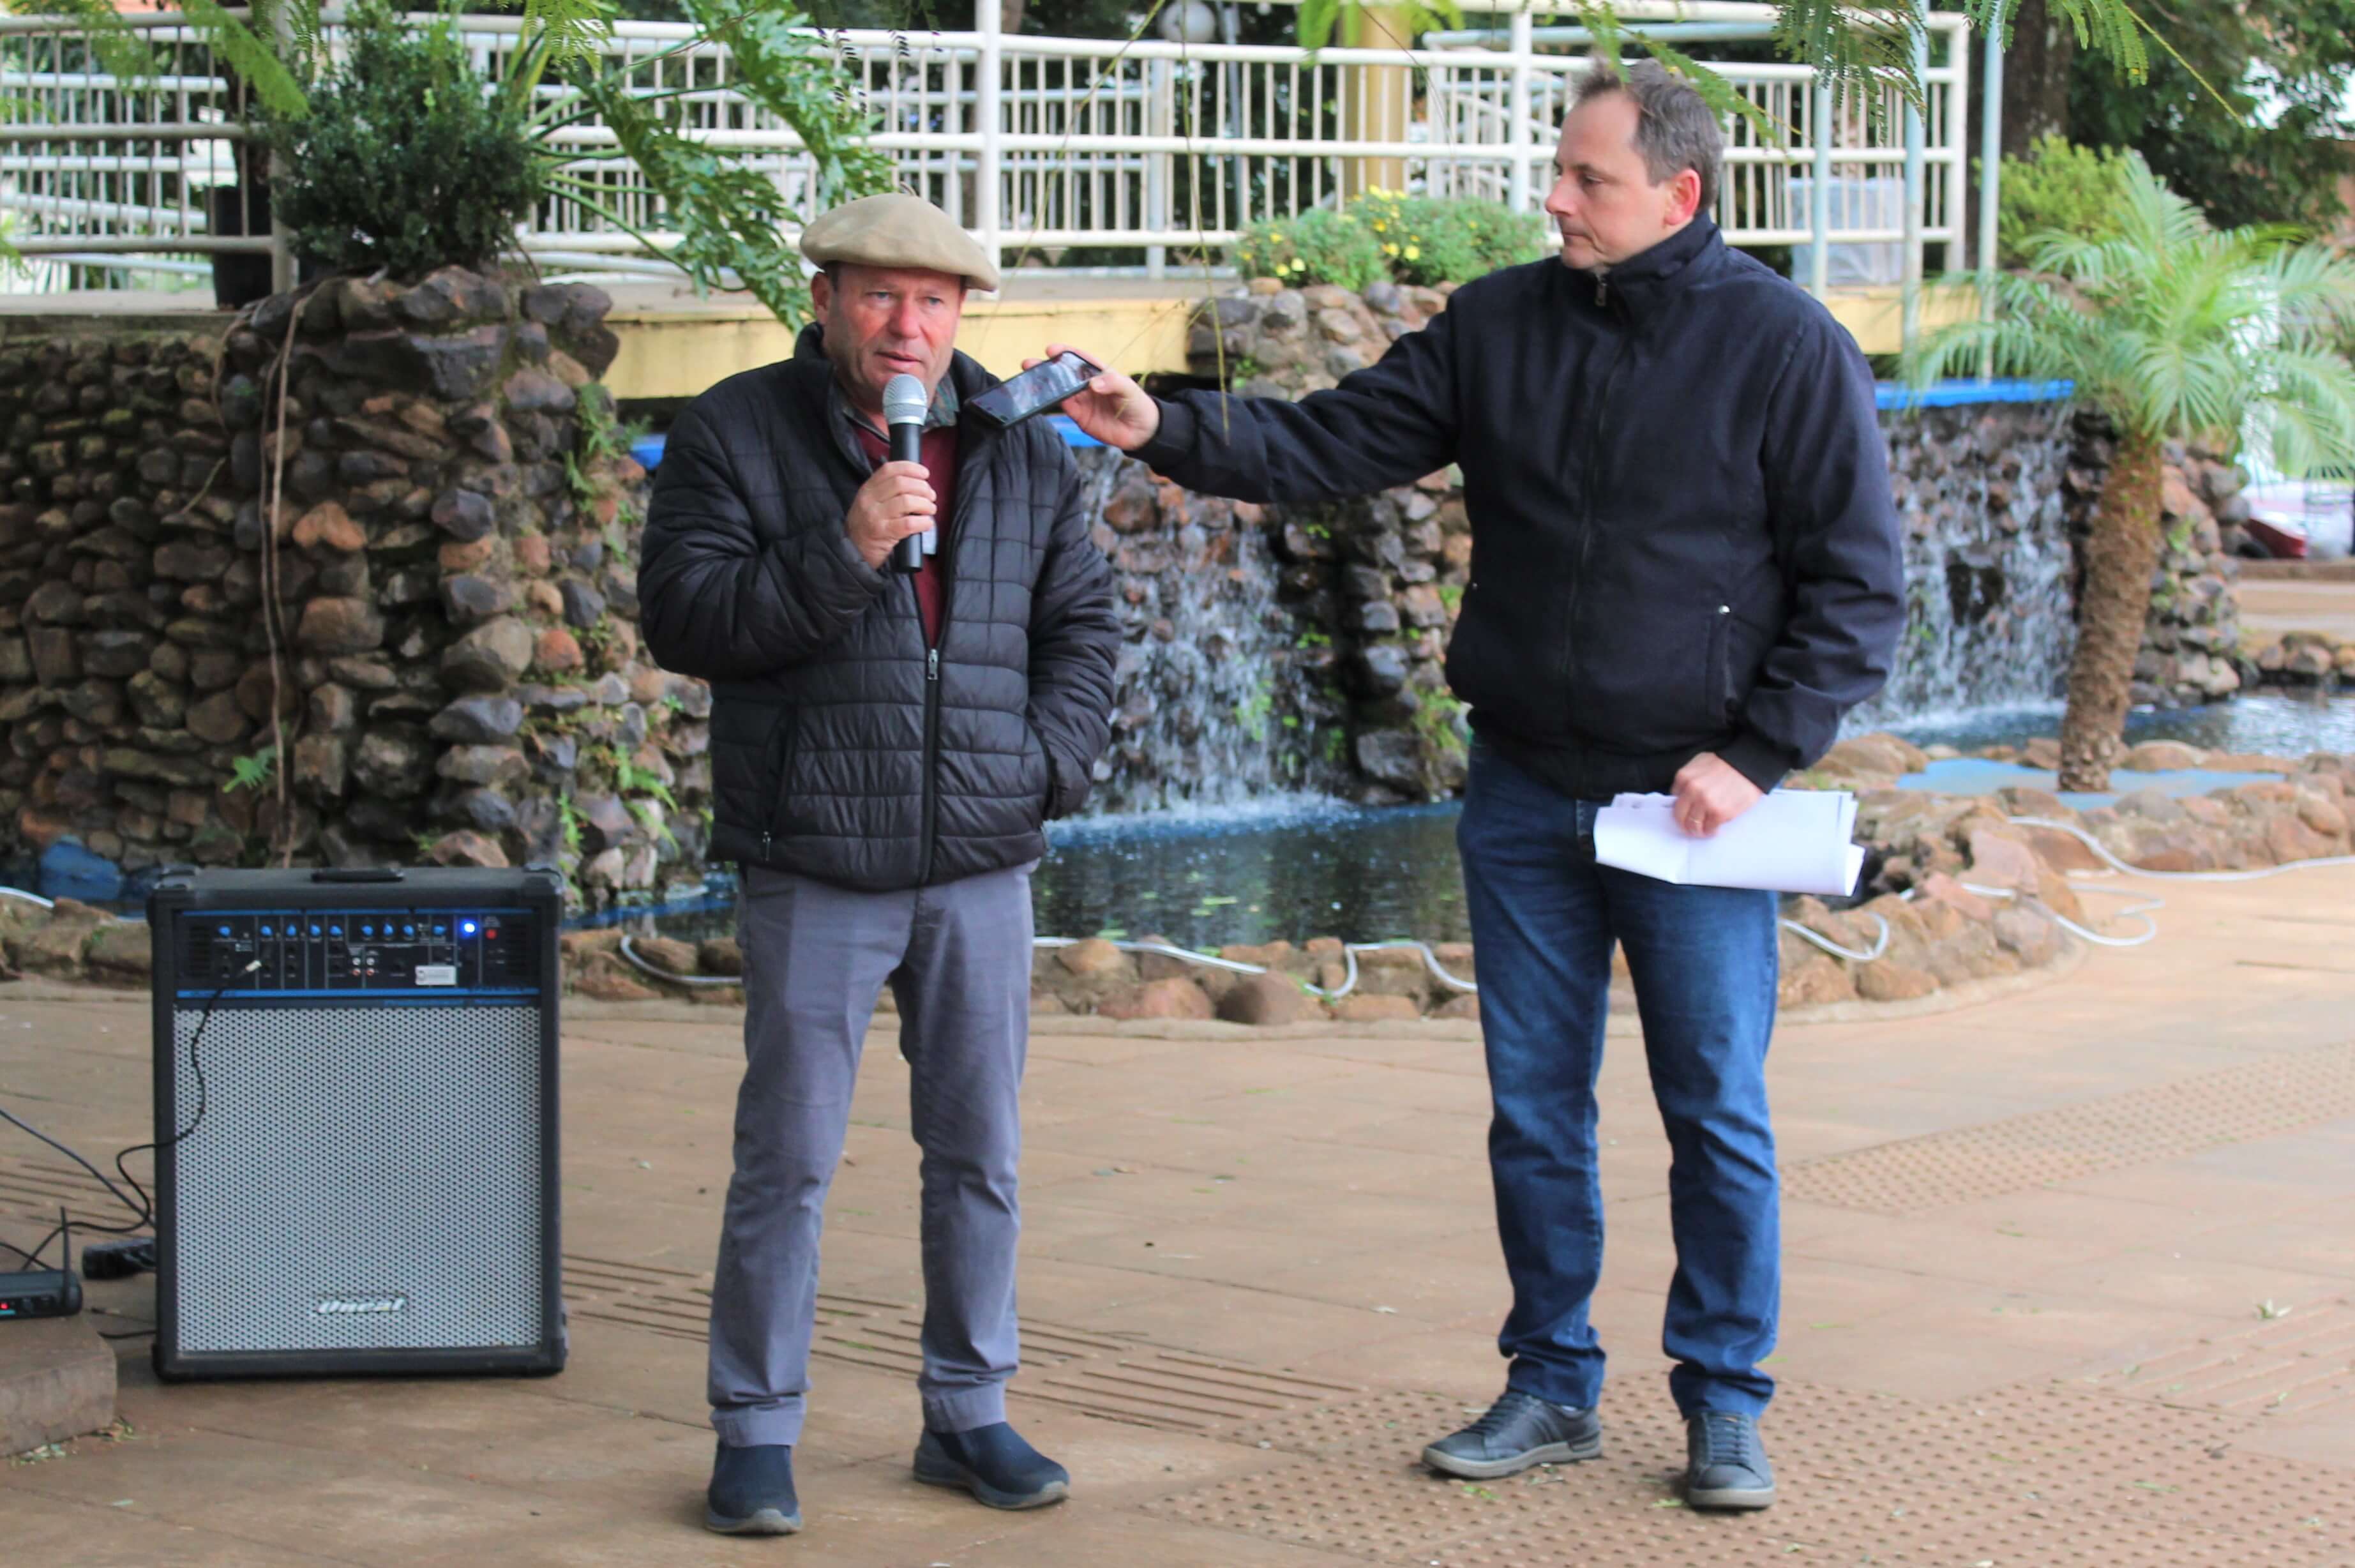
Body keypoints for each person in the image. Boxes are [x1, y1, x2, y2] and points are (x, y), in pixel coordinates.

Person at [1050, 62, 1903, 1511]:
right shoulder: (1499, 322)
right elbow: (1333, 439)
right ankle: (1554, 1382)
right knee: (1533, 1109)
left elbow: (1859, 590)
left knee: (1716, 1112)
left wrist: (1752, 756)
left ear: (1678, 197)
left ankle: (1725, 1402)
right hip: (1521, 794)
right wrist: (1164, 428)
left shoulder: (1787, 347)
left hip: (1695, 809)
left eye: (1587, 181)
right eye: (1558, 175)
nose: (1554, 200)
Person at [637, 192, 1121, 1536]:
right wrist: (846, 546)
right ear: (827, 298)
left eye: (935, 300)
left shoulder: (1022, 447)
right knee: (785, 1157)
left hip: (980, 856)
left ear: (965, 316)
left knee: (979, 1151)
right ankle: (756, 1429)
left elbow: (1083, 629)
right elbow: (689, 617)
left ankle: (968, 1413)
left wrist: (1037, 772)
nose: (908, 325)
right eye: (879, 296)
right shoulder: (736, 429)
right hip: (816, 857)